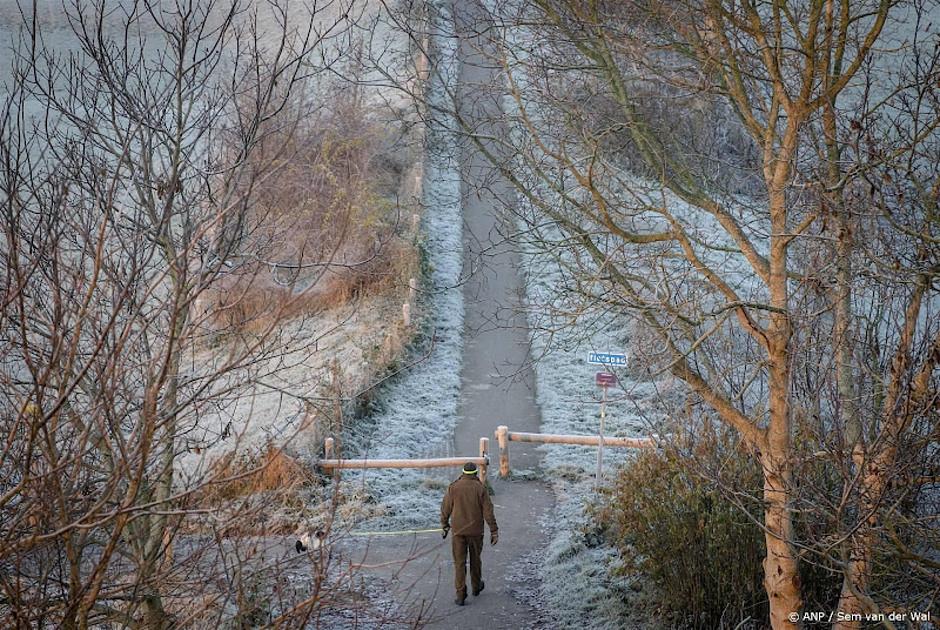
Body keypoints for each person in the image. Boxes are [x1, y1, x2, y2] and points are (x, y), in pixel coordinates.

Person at [440, 462, 499, 606]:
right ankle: (476, 586)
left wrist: (444, 525)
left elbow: (445, 508)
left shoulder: (453, 487)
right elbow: (488, 511)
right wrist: (494, 530)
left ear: (463, 473)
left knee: (459, 563)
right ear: (475, 474)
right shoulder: (480, 488)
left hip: (458, 532)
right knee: (475, 560)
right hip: (475, 532)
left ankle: (460, 595)